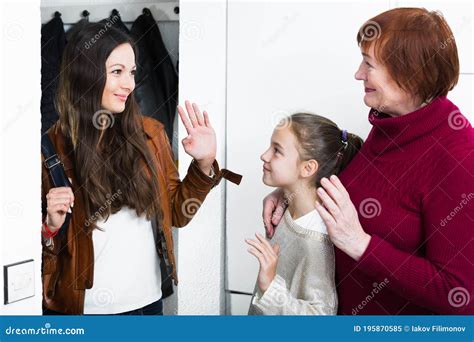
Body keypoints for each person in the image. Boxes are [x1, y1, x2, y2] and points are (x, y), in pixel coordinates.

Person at [263, 8, 474, 314]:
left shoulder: (458, 159)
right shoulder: (390, 122)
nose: (358, 74)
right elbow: (364, 188)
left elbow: (459, 295)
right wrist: (295, 191)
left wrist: (360, 244)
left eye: (369, 64)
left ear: (409, 73)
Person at [41, 23, 240, 315]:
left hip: (146, 305)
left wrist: (204, 164)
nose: (129, 84)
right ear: (84, 73)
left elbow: (176, 213)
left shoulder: (150, 134)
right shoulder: (49, 147)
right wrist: (49, 227)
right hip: (79, 311)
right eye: (117, 72)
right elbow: (23, 248)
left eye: (132, 72)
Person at [247, 113, 363, 315]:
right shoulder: (283, 210)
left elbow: (321, 315)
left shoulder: (316, 238)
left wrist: (269, 288)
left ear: (308, 168)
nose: (264, 155)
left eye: (277, 150)